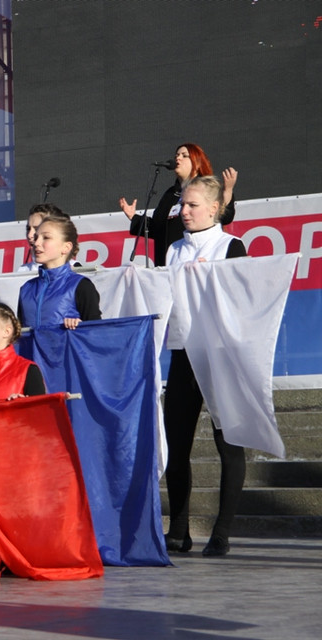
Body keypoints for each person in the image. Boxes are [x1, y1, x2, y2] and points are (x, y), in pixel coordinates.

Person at [163, 175, 247, 558]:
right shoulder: (173, 250)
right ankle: (178, 530)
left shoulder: (231, 246)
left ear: (216, 208)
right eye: (182, 204)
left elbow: (242, 304)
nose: (185, 211)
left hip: (219, 355)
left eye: (193, 205)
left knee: (227, 445)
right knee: (176, 447)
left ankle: (222, 532)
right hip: (183, 355)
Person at [120, 142, 238, 266]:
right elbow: (157, 228)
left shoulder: (208, 190)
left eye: (184, 155)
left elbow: (225, 217)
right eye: (176, 155)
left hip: (195, 261)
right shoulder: (171, 194)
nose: (178, 158)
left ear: (197, 162)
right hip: (166, 264)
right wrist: (134, 217)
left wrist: (228, 190)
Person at [17, 216, 101, 330]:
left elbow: (97, 333)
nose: (36, 243)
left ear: (66, 247)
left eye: (46, 237)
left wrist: (80, 328)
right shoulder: (26, 289)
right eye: (36, 237)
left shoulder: (82, 286)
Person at [0, 203, 70, 281]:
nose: (30, 235)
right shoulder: (23, 270)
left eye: (37, 228)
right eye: (28, 229)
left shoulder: (75, 269)